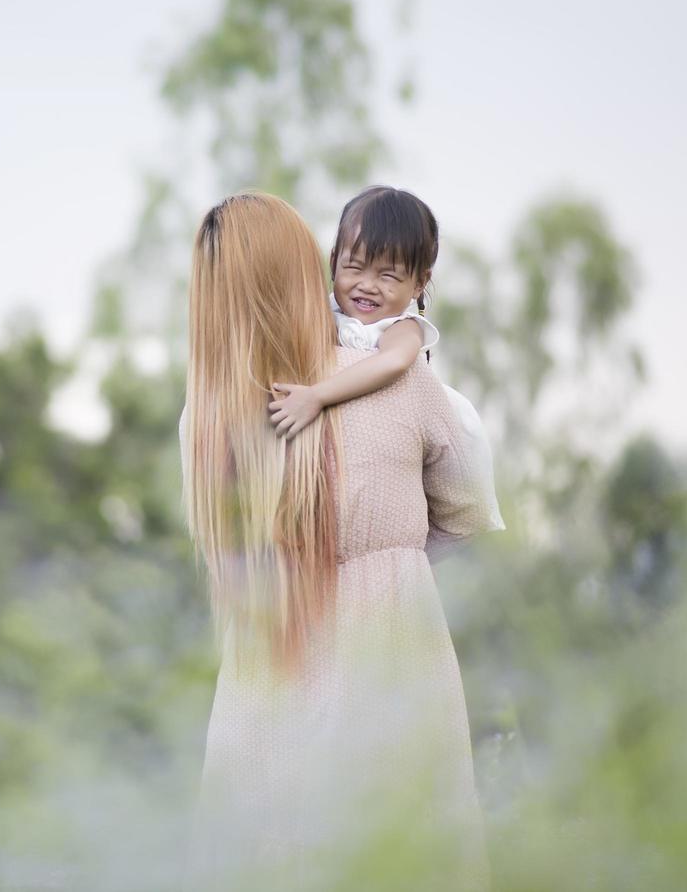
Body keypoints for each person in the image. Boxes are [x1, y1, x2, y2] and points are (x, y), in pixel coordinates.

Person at [180, 191, 505, 889]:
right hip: (390, 651)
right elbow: (466, 514)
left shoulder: (202, 417)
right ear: (312, 269)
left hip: (263, 676)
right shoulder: (406, 385)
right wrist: (393, 568)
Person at [267, 186, 490, 484]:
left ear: (419, 283)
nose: (367, 285)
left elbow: (395, 361)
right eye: (355, 267)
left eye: (387, 276)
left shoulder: (401, 328)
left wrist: (317, 396)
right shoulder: (322, 312)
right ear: (334, 262)